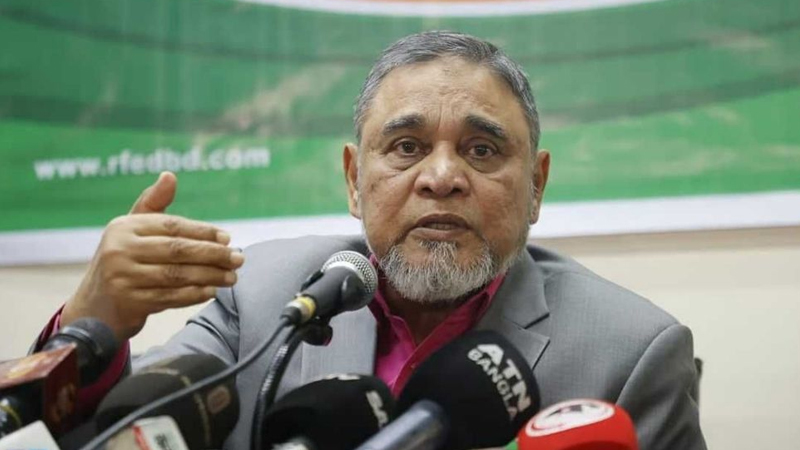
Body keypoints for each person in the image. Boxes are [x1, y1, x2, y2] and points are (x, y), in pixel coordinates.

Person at [36, 31, 705, 449]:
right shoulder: (262, 296)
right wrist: (91, 326)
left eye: (481, 149)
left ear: (536, 185)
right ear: (355, 180)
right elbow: (114, 436)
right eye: (407, 146)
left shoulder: (631, 356)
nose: (441, 177)